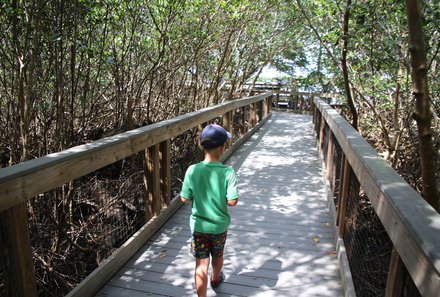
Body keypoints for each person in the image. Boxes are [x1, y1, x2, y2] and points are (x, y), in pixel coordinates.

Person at [180, 124, 239, 297]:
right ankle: (215, 277)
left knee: (201, 264)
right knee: (218, 254)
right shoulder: (228, 172)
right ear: (222, 147)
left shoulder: (192, 170)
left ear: (201, 145)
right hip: (219, 227)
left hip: (199, 227)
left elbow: (184, 198)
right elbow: (232, 201)